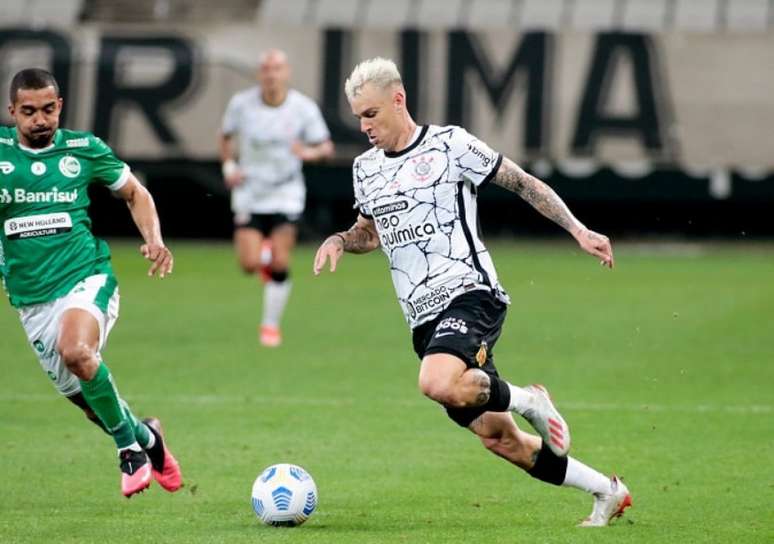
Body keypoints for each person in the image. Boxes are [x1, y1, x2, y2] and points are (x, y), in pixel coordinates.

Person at [313, 58, 632, 526]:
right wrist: (341, 240)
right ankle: (607, 491)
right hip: (422, 320)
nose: (364, 126)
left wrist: (579, 230)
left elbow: (522, 183)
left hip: (470, 292)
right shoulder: (365, 169)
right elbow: (370, 231)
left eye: (371, 114)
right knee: (500, 439)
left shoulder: (450, 145)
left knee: (436, 382)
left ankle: (529, 401)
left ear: (398, 100)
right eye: (358, 116)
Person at [1, 68, 182, 498]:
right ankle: (148, 437)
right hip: (31, 300)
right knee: (90, 401)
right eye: (29, 112)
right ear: (12, 112)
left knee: (77, 351)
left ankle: (129, 451)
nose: (40, 120)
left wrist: (154, 239)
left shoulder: (84, 149)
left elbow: (136, 193)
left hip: (87, 277)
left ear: (59, 106)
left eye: (48, 109)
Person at [218, 48, 334, 347]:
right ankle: (263, 254)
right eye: (266, 69)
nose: (271, 75)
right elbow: (226, 136)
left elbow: (326, 148)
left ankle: (270, 325)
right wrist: (229, 166)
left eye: (277, 69)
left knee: (281, 262)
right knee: (249, 264)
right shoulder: (241, 104)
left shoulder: (302, 107)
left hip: (286, 191)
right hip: (250, 191)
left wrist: (308, 152)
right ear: (260, 73)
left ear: (286, 72)